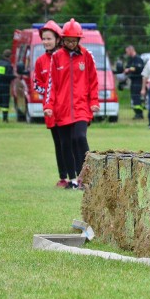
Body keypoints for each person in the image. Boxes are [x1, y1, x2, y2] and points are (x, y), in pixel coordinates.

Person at [43, 18, 100, 190]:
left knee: (79, 137)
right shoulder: (56, 57)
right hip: (61, 110)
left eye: (73, 40)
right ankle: (72, 179)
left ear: (79, 40)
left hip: (82, 107)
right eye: (67, 40)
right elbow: (51, 85)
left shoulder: (87, 56)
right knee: (65, 144)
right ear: (63, 40)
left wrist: (94, 102)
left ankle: (87, 175)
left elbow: (93, 81)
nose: (70, 43)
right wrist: (48, 106)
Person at [33, 20, 70, 188]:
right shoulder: (40, 61)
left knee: (70, 142)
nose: (46, 42)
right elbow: (36, 84)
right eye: (44, 39)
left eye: (49, 38)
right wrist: (50, 93)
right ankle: (63, 177)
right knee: (59, 144)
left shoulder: (66, 57)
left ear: (58, 39)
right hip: (50, 112)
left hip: (66, 110)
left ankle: (76, 176)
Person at [0, 49, 15, 122]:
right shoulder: (8, 65)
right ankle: (5, 119)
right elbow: (8, 76)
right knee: (5, 103)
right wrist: (15, 76)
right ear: (10, 56)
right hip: (5, 86)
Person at [123, 45, 145, 120]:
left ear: (131, 50)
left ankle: (139, 113)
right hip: (133, 81)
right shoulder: (131, 60)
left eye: (127, 51)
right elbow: (127, 67)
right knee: (134, 97)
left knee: (136, 97)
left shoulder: (138, 59)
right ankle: (137, 112)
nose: (127, 53)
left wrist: (129, 69)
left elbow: (138, 67)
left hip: (138, 81)